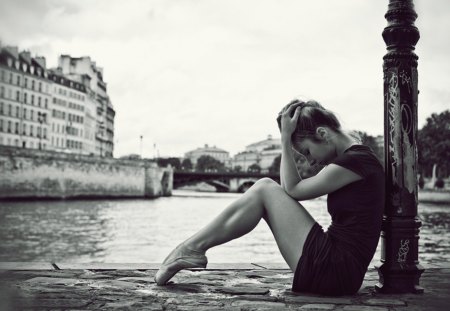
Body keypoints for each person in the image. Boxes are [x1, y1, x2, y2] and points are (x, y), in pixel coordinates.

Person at [155, 99, 385, 295]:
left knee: (265, 188)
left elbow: (292, 190)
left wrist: (285, 140)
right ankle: (192, 249)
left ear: (323, 134)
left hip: (334, 270)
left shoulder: (353, 162)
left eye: (306, 152)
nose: (311, 161)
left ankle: (191, 249)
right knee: (265, 189)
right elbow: (288, 188)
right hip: (339, 269)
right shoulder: (355, 159)